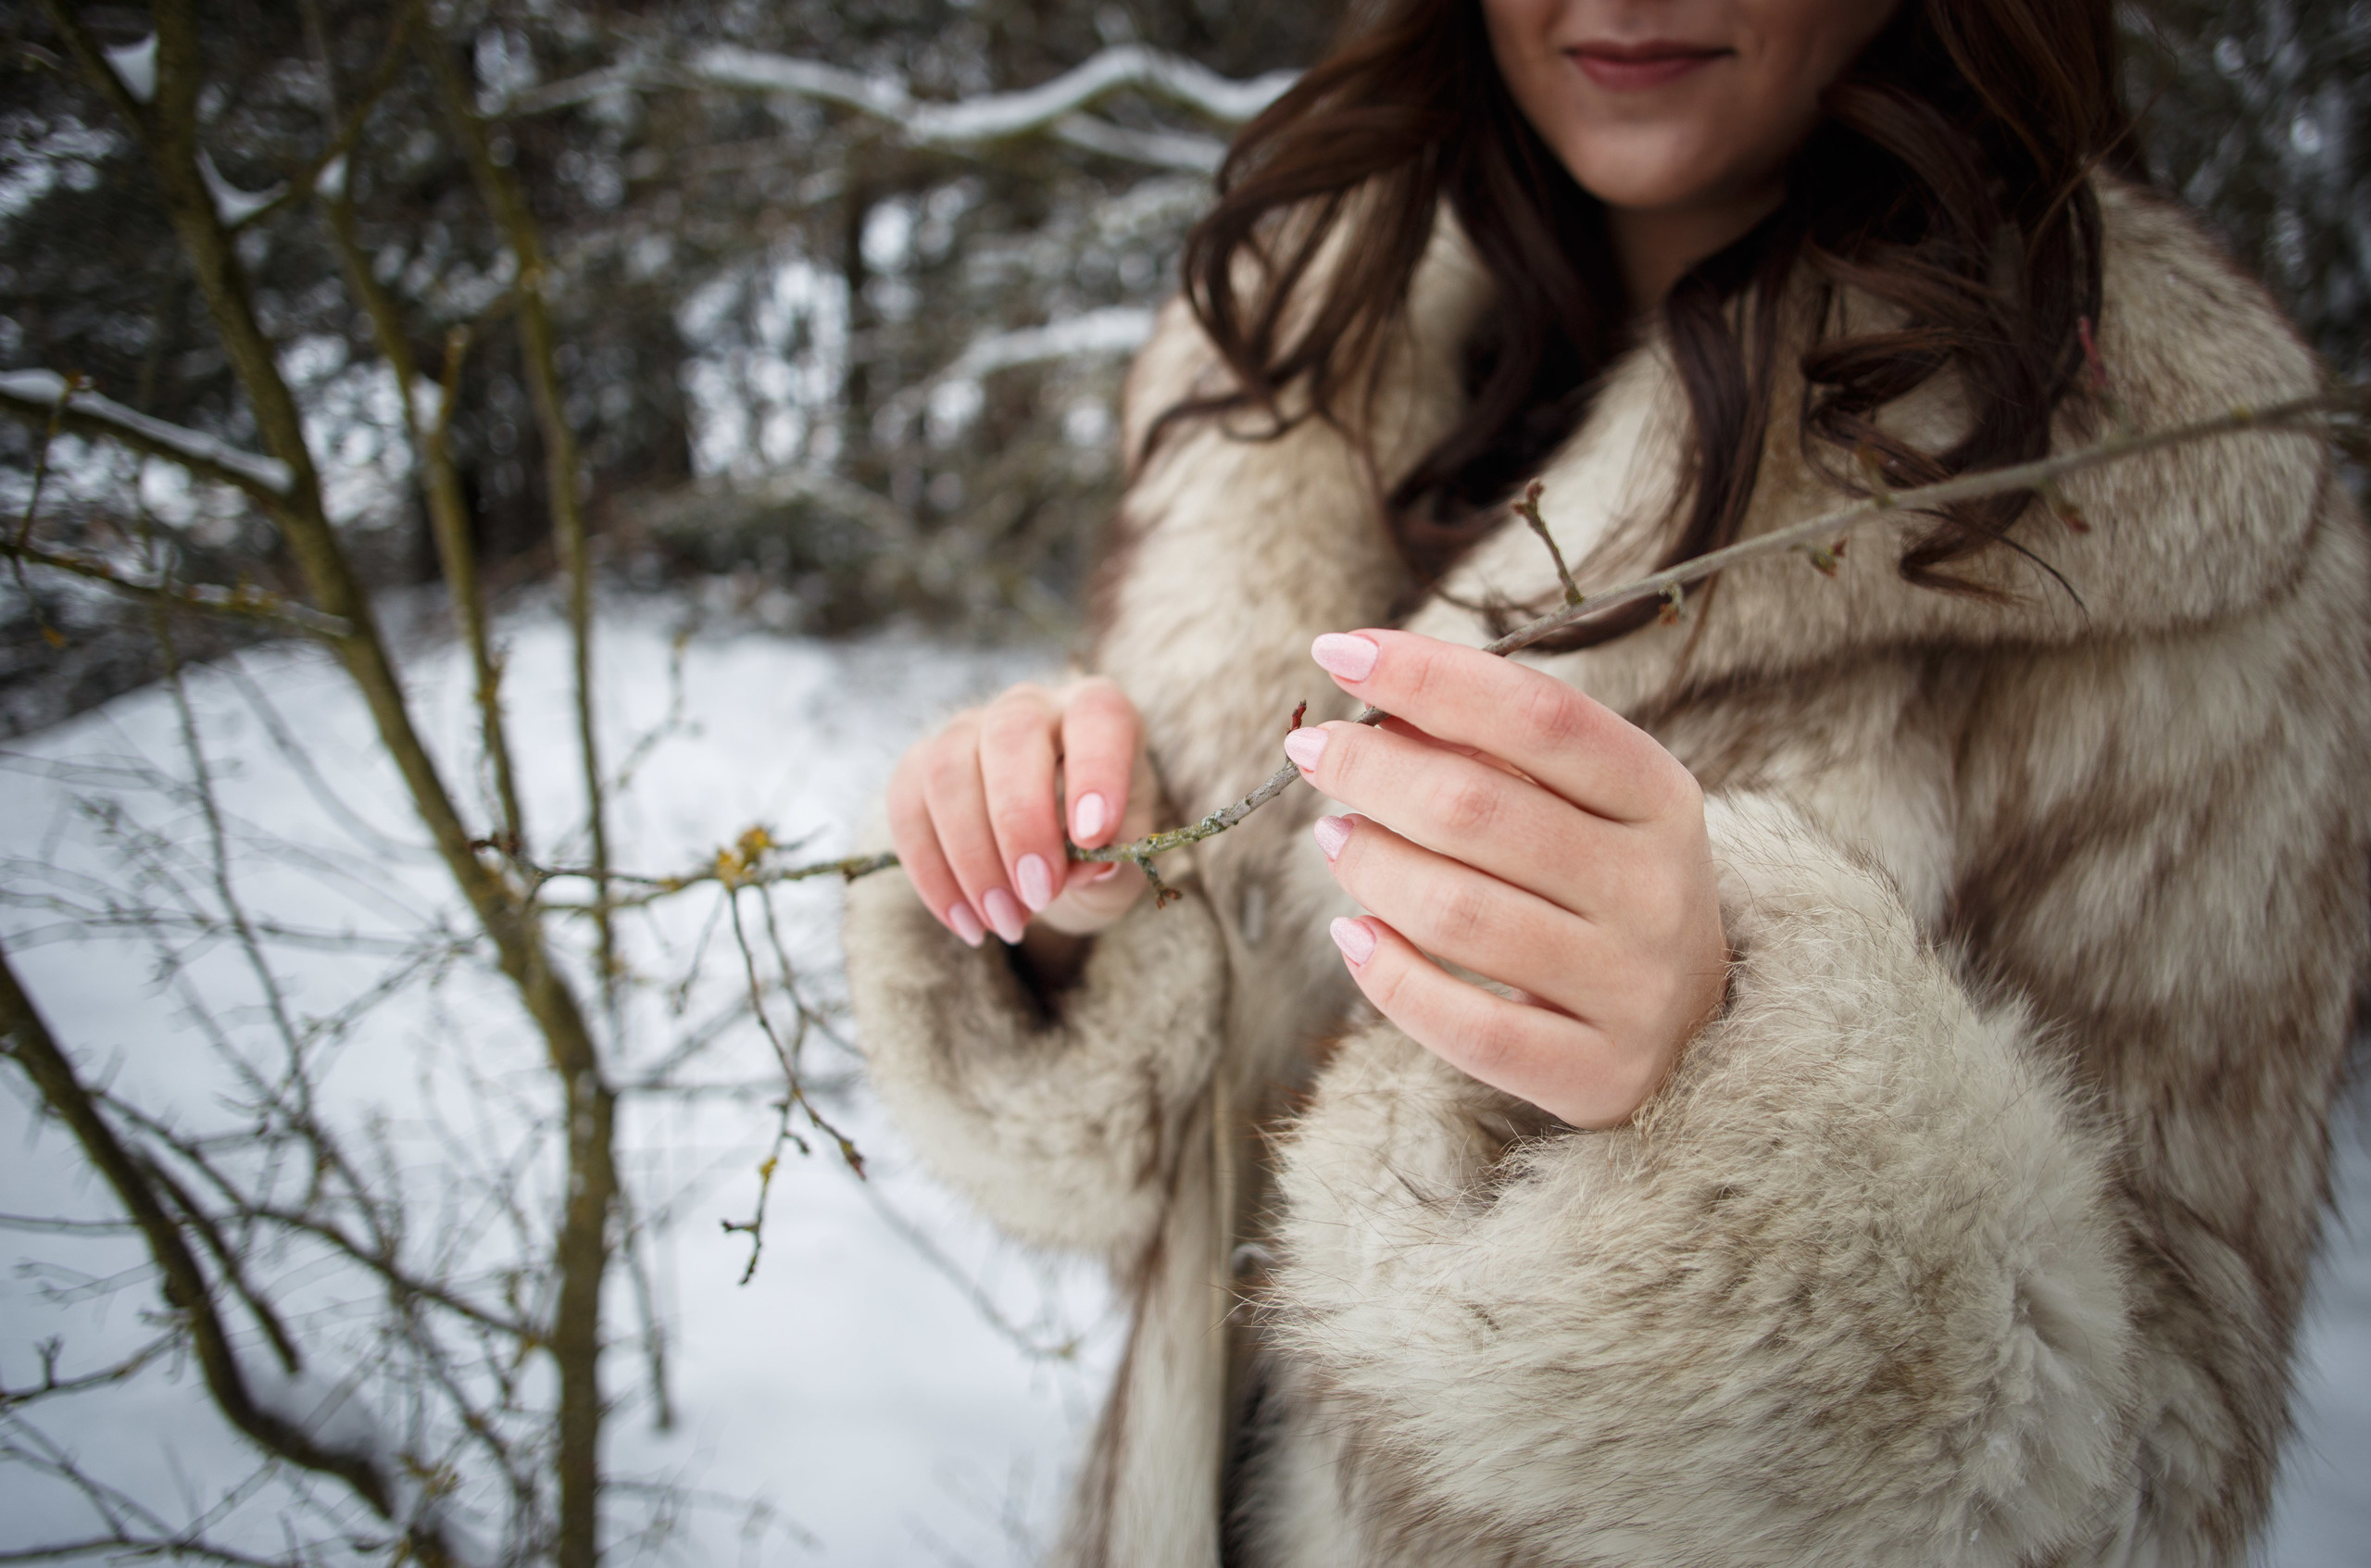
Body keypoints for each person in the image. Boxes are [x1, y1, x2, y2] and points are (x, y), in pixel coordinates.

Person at [843, 0, 2371, 1561]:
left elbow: (2150, 1486)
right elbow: (1188, 1170)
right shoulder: (1290, 364)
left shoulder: (2161, 510)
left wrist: (1735, 1092)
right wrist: (1058, 907)